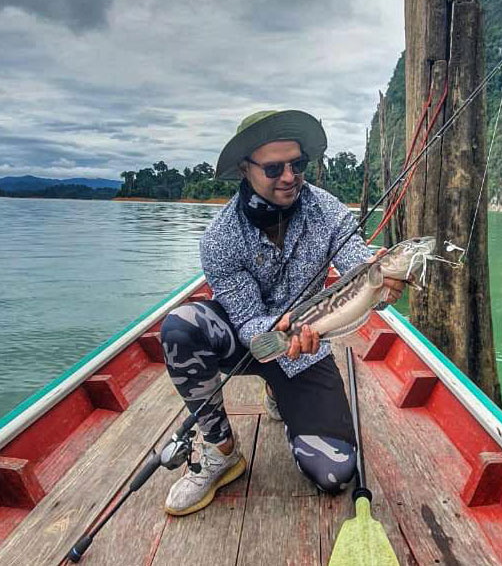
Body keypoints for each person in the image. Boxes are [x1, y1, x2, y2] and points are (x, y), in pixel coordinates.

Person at [160, 110, 404, 516]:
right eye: (274, 167)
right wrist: (279, 330)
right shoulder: (220, 237)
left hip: (307, 349)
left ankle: (280, 392)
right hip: (245, 339)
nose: (289, 176)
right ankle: (222, 453)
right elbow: (246, 317)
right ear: (246, 168)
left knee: (335, 475)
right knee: (181, 328)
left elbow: (358, 263)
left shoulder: (327, 210)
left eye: (298, 164)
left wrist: (382, 282)